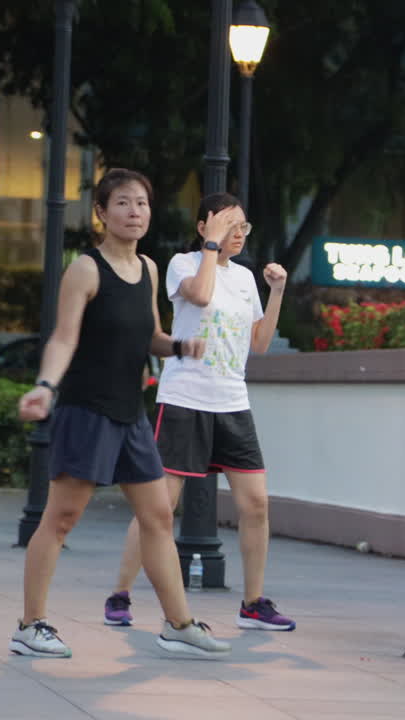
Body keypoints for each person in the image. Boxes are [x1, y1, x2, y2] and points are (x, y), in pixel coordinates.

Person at [11, 168, 230, 659]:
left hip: (130, 415)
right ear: (102, 213)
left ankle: (178, 625)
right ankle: (30, 624)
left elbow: (149, 334)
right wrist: (45, 387)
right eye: (124, 204)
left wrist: (178, 345)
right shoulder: (86, 269)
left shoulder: (148, 269)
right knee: (61, 518)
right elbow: (65, 336)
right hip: (86, 410)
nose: (135, 213)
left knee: (156, 515)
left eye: (142, 204)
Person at [103, 192, 293, 632]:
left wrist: (277, 290)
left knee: (257, 505)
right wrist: (211, 246)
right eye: (229, 224)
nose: (239, 234)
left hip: (232, 402)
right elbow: (202, 297)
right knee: (159, 508)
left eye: (244, 225)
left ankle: (252, 603)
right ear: (204, 226)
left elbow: (259, 344)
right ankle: (120, 593)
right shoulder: (183, 265)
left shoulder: (246, 279)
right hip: (186, 398)